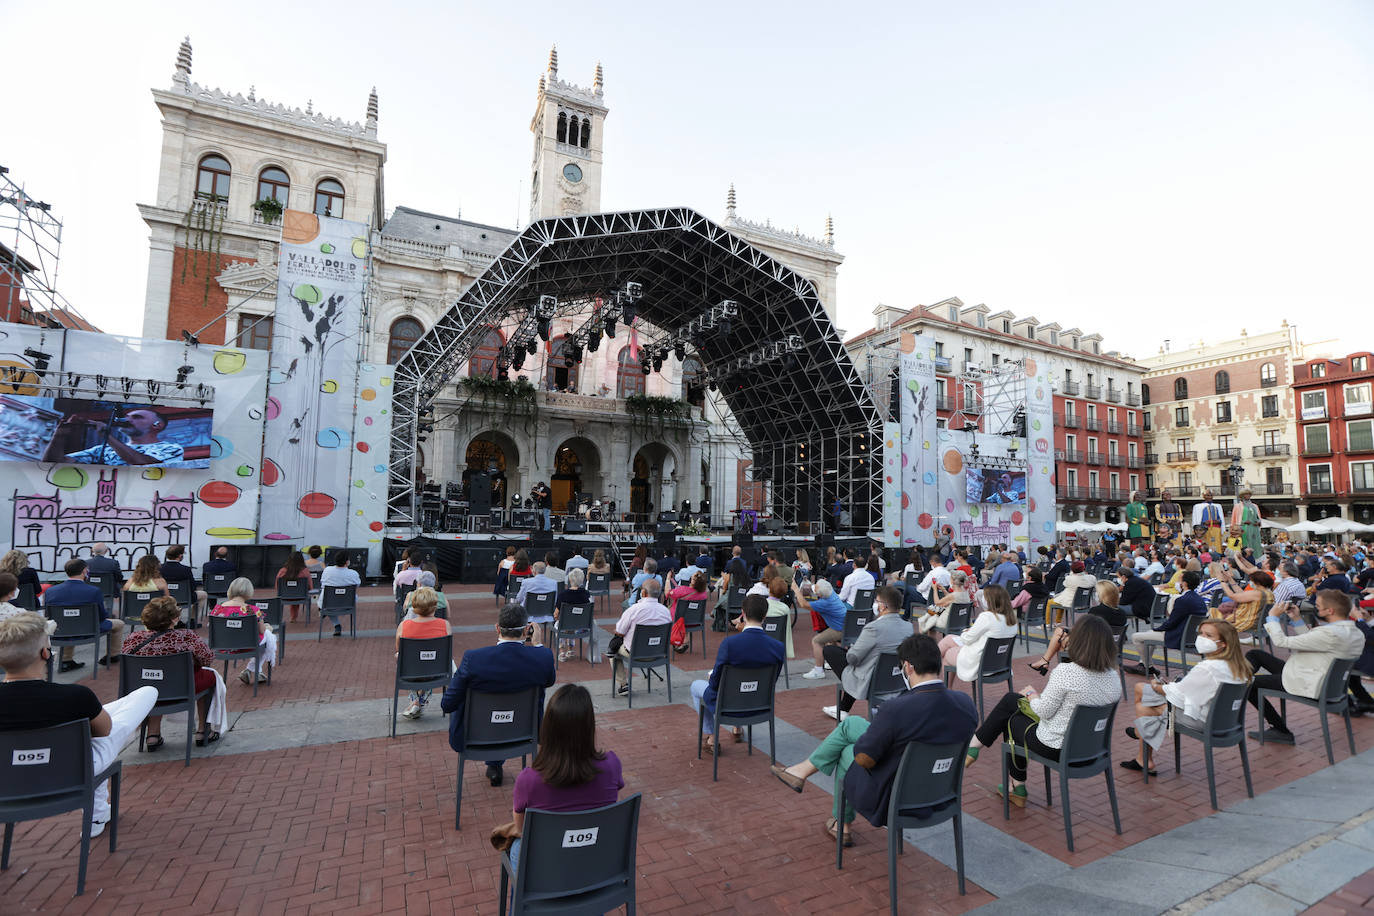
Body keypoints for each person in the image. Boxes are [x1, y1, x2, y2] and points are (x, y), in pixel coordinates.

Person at [769, 634, 978, 846]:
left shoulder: (897, 709)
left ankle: (840, 821)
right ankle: (819, 795)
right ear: (939, 665)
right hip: (940, 794)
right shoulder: (966, 705)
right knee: (853, 727)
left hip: (894, 797)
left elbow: (864, 759)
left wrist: (873, 744)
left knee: (847, 751)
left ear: (908, 667)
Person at [0, 611, 160, 837]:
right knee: (145, 694)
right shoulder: (75, 696)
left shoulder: (76, 697)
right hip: (72, 773)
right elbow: (105, 731)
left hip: (8, 782)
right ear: (45, 653)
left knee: (90, 729)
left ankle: (99, 813)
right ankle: (97, 814)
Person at [966, 614, 1122, 806]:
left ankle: (1010, 779)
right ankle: (1011, 782)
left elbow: (1044, 712)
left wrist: (1032, 694)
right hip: (1091, 750)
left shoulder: (1067, 672)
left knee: (1011, 719)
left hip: (1056, 746)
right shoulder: (1114, 677)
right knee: (1011, 700)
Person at [504, 684, 623, 872]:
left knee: (516, 844)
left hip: (546, 875)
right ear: (589, 726)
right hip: (597, 865)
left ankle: (520, 901)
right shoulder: (612, 765)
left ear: (549, 729)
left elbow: (522, 830)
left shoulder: (528, 780)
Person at [442, 603, 556, 786]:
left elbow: (447, 704)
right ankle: (495, 764)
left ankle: (494, 765)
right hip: (525, 731)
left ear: (497, 628)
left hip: (476, 735)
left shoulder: (473, 659)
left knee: (462, 701)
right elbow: (549, 680)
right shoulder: (542, 657)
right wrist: (538, 645)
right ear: (527, 630)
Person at [1122, 619, 1251, 773]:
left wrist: (1159, 686)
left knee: (1145, 708)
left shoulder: (1208, 667)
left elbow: (1178, 695)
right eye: (1201, 633)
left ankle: (1141, 742)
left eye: (1208, 635)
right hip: (1227, 722)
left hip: (1204, 721)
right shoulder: (1241, 667)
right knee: (1142, 691)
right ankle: (1143, 756)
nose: (1202, 638)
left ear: (1223, 643)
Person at [1245, 589, 1364, 744]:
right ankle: (1236, 683)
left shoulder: (1329, 633)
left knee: (1248, 683)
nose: (1316, 607)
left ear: (1330, 610)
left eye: (1319, 605)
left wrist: (1272, 617)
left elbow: (1282, 642)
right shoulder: (1356, 632)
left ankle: (1280, 729)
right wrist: (1296, 618)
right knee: (1256, 655)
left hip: (1309, 682)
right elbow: (1311, 641)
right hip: (1318, 678)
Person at [690, 595, 785, 751]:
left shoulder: (730, 644)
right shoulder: (778, 647)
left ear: (743, 614)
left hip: (727, 705)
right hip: (759, 704)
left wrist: (711, 677)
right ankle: (737, 729)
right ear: (765, 616)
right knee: (741, 684)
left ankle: (712, 737)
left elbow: (714, 684)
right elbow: (772, 680)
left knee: (696, 686)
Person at [121, 596, 218, 747]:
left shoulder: (133, 638)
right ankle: (203, 731)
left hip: (145, 690)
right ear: (174, 619)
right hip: (181, 687)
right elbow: (207, 658)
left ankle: (152, 735)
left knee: (153, 681)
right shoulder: (186, 636)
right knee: (211, 677)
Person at [823, 585, 912, 720]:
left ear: (883, 606)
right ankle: (843, 709)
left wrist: (853, 648)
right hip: (897, 679)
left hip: (872, 682)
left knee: (831, 651)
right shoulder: (908, 627)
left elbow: (852, 658)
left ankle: (843, 709)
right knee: (863, 660)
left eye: (877, 601)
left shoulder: (874, 628)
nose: (875, 605)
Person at [43, 558, 124, 672]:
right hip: (89, 629)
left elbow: (49, 615)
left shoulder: (51, 591)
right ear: (85, 571)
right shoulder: (93, 591)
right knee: (119, 623)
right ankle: (112, 656)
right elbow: (102, 616)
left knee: (69, 622)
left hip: (61, 629)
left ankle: (66, 660)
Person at [1029, 579, 1125, 674]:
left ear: (1102, 594)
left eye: (1097, 592)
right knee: (1062, 633)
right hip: (1109, 651)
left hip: (1092, 651)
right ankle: (1049, 664)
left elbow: (1084, 634)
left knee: (1062, 639)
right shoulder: (1121, 613)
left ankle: (1059, 671)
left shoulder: (1097, 611)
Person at [44, 406, 184, 466]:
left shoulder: (171, 448)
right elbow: (52, 464)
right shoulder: (102, 449)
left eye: (137, 417)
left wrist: (107, 436)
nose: (127, 420)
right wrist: (60, 434)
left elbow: (144, 464)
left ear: (157, 425)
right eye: (127, 417)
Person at [1127, 570, 1207, 674]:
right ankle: (1145, 665)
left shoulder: (1182, 600)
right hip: (1190, 636)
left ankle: (1148, 666)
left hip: (1177, 636)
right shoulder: (1199, 600)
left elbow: (1171, 622)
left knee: (1136, 637)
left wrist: (1157, 629)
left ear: (1185, 583)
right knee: (1148, 635)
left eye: (1180, 581)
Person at [939, 584, 1019, 680]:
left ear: (990, 600)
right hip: (999, 664)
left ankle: (936, 681)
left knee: (948, 653)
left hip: (980, 664)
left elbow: (967, 639)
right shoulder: (1012, 620)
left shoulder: (987, 617)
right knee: (949, 638)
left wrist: (965, 631)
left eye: (984, 597)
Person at [610, 578, 672, 696]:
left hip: (635, 653)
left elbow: (620, 632)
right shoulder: (666, 611)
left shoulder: (633, 610)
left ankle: (623, 685)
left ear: (643, 593)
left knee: (612, 651)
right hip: (658, 653)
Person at [397, 587, 452, 720]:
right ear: (435, 606)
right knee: (435, 663)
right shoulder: (445, 625)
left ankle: (415, 701)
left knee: (401, 657)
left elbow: (400, 651)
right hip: (437, 673)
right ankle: (419, 702)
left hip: (410, 673)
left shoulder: (404, 626)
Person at [210, 577, 277, 685]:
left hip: (224, 646)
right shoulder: (253, 610)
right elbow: (261, 630)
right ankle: (254, 670)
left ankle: (251, 670)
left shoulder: (217, 609)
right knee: (268, 636)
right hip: (247, 646)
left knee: (266, 636)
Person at [798, 579, 848, 679]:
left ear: (820, 594)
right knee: (828, 637)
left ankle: (818, 670)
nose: (814, 589)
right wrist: (806, 588)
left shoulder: (824, 603)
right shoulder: (831, 593)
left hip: (839, 629)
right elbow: (814, 597)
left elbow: (804, 604)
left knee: (816, 641)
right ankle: (832, 661)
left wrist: (795, 589)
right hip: (845, 625)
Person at [1213, 569, 1274, 635]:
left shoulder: (1258, 593)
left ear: (1258, 583)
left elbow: (1233, 596)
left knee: (1213, 613)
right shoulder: (1268, 593)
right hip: (1256, 621)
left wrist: (1222, 582)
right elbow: (1242, 594)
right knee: (1219, 614)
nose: (1250, 582)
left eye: (1252, 581)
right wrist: (1230, 579)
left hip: (1247, 621)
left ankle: (1215, 638)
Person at [552, 568, 593, 662]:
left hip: (565, 626)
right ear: (582, 580)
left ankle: (562, 651)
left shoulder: (563, 595)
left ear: (570, 580)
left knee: (559, 624)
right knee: (571, 623)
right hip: (582, 627)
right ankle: (570, 649)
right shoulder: (586, 594)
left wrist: (556, 617)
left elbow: (556, 614)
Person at [515, 561, 559, 647]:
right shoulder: (553, 582)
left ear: (534, 571)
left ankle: (524, 635)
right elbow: (555, 600)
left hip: (528, 614)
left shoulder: (526, 582)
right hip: (546, 613)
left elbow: (518, 599)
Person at [319, 550, 361, 637]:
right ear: (347, 561)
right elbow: (357, 585)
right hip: (348, 604)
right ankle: (337, 625)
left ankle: (336, 624)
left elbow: (322, 583)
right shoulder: (353, 573)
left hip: (328, 603)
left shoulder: (327, 570)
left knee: (326, 602)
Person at [160, 544, 206, 624]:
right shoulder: (186, 569)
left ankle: (176, 621)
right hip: (185, 598)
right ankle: (192, 621)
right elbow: (192, 587)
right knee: (203, 594)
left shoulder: (159, 568)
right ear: (180, 556)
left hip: (164, 598)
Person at [917, 569, 972, 635]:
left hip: (947, 622)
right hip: (960, 622)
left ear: (953, 581)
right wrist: (943, 590)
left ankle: (923, 628)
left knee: (932, 616)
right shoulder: (966, 594)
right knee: (936, 609)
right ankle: (924, 620)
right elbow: (953, 599)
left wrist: (935, 589)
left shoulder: (953, 595)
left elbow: (937, 602)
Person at [1047, 560, 1096, 625]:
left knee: (1050, 602)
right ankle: (1057, 622)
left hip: (1070, 602)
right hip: (1084, 603)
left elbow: (1065, 584)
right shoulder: (1092, 578)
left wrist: (1071, 573)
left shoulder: (1070, 578)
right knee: (1060, 600)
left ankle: (1048, 623)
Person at [274, 550, 309, 622]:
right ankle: (294, 617)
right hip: (301, 596)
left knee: (292, 592)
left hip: (284, 596)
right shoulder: (305, 571)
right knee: (296, 592)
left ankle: (292, 617)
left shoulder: (282, 571)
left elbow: (277, 585)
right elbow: (310, 586)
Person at [87, 543, 125, 607]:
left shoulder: (86, 563)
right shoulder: (113, 563)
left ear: (92, 551)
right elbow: (119, 578)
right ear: (106, 551)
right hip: (110, 591)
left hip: (90, 591)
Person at [1192, 490, 1226, 555]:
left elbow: (1221, 519)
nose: (1209, 497)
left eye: (1211, 495)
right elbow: (1197, 520)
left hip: (1216, 529)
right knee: (1206, 544)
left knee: (1217, 544)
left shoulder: (1218, 506)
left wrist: (1217, 521)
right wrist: (1204, 523)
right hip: (1205, 530)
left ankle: (1217, 555)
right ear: (1204, 496)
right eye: (1207, 495)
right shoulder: (1198, 506)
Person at [1231, 489, 1262, 556]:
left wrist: (1258, 522)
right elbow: (1234, 520)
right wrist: (1243, 522)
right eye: (1246, 494)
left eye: (1249, 494)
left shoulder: (1255, 506)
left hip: (1254, 529)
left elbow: (1258, 517)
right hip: (1243, 528)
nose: (1248, 496)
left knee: (1255, 544)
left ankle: (1256, 558)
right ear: (1242, 496)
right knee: (1245, 544)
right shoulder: (1237, 506)